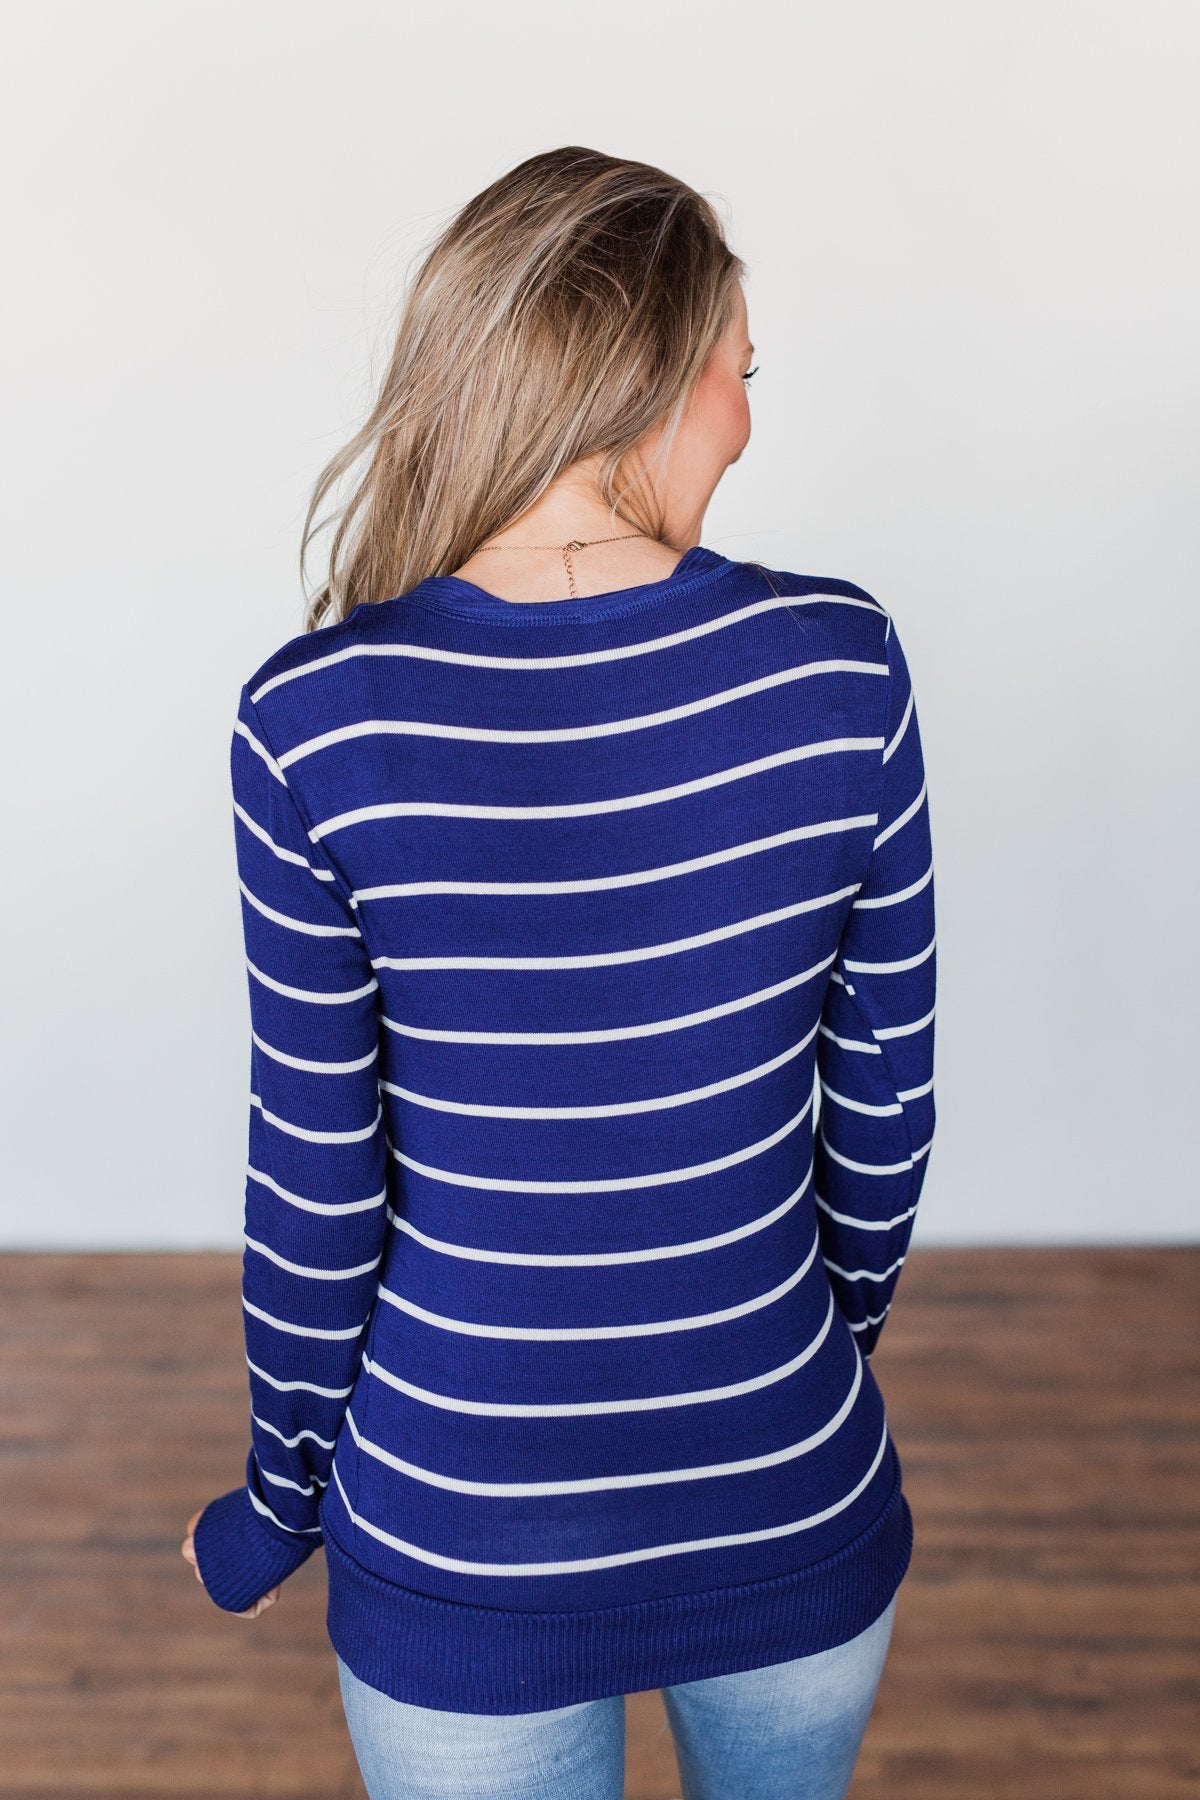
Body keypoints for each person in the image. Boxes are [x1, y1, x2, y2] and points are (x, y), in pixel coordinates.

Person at [179, 144, 937, 1800]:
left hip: (458, 1540)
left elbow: (317, 1183)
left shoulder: (314, 722)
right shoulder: (843, 671)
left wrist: (280, 1501)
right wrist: (790, 1356)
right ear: (645, 380)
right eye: (742, 373)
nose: (747, 420)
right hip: (790, 1491)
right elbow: (886, 1116)